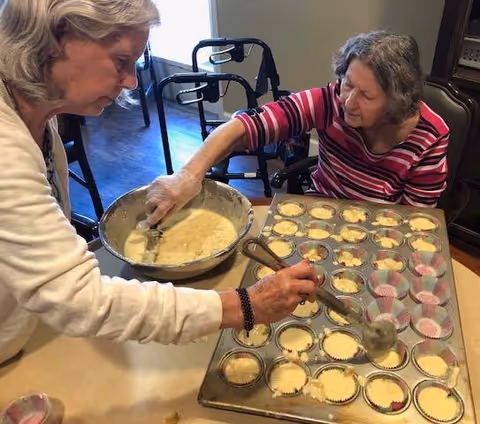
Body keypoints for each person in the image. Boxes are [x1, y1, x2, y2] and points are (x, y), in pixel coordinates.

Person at [0, 0, 319, 366]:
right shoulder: (5, 149)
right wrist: (246, 304)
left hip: (24, 330)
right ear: (57, 38)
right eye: (121, 61)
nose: (132, 81)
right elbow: (79, 299)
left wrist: (188, 176)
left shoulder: (39, 108)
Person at [146, 31, 450, 225]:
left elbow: (414, 222)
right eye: (348, 84)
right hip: (319, 211)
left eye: (367, 96)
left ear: (396, 101)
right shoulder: (329, 101)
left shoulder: (430, 136)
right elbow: (245, 125)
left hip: (380, 228)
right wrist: (187, 176)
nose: (348, 102)